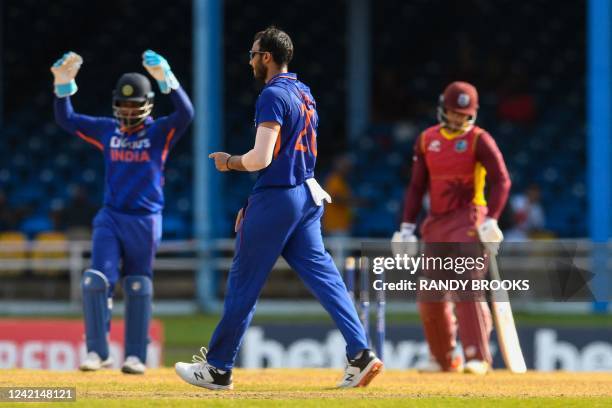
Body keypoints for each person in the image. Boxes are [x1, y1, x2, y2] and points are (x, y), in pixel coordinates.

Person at [175, 27, 382, 390]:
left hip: (279, 197)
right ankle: (361, 353)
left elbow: (260, 158)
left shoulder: (272, 95)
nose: (251, 59)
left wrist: (229, 162)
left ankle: (218, 368)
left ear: (267, 57)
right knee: (327, 279)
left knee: (244, 283)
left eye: (254, 53)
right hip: (306, 194)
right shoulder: (305, 93)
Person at [52, 50, 194, 374]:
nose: (129, 110)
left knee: (138, 285)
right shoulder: (107, 131)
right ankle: (97, 352)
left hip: (145, 221)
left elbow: (186, 113)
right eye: (124, 105)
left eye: (135, 105)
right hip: (111, 217)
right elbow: (67, 120)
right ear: (116, 104)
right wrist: (63, 87)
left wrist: (166, 79)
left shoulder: (159, 132)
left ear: (147, 105)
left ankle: (135, 356)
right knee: (94, 280)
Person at [392, 81, 511, 375]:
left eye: (463, 113)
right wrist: (406, 228)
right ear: (442, 108)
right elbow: (417, 186)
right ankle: (443, 358)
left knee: (468, 286)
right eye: (453, 112)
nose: (458, 118)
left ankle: (477, 356)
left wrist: (492, 218)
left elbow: (502, 180)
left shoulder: (479, 140)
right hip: (436, 223)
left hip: (469, 219)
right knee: (428, 291)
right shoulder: (426, 140)